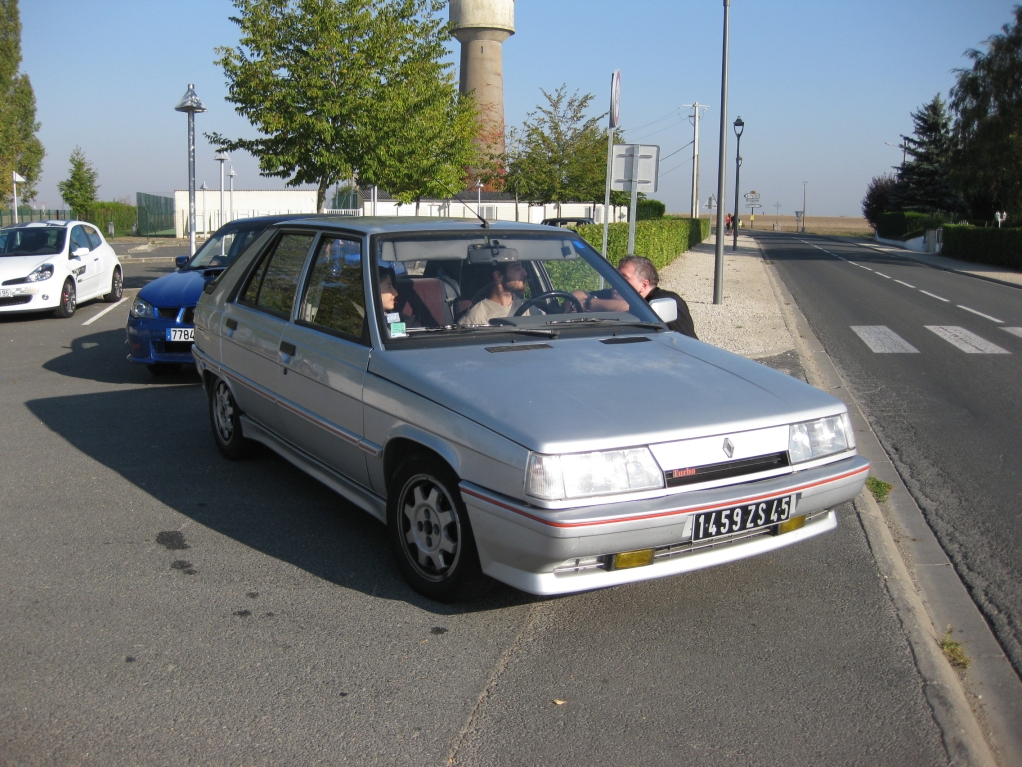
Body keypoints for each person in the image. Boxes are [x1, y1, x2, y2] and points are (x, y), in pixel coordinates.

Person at [573, 256, 697, 338]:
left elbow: (639, 310)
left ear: (643, 285)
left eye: (624, 278)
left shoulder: (668, 300)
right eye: (615, 277)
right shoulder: (615, 294)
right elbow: (576, 295)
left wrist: (590, 304)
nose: (616, 283)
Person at [459, 260, 534, 325]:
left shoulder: (528, 309)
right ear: (498, 276)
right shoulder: (477, 315)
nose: (524, 273)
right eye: (517, 268)